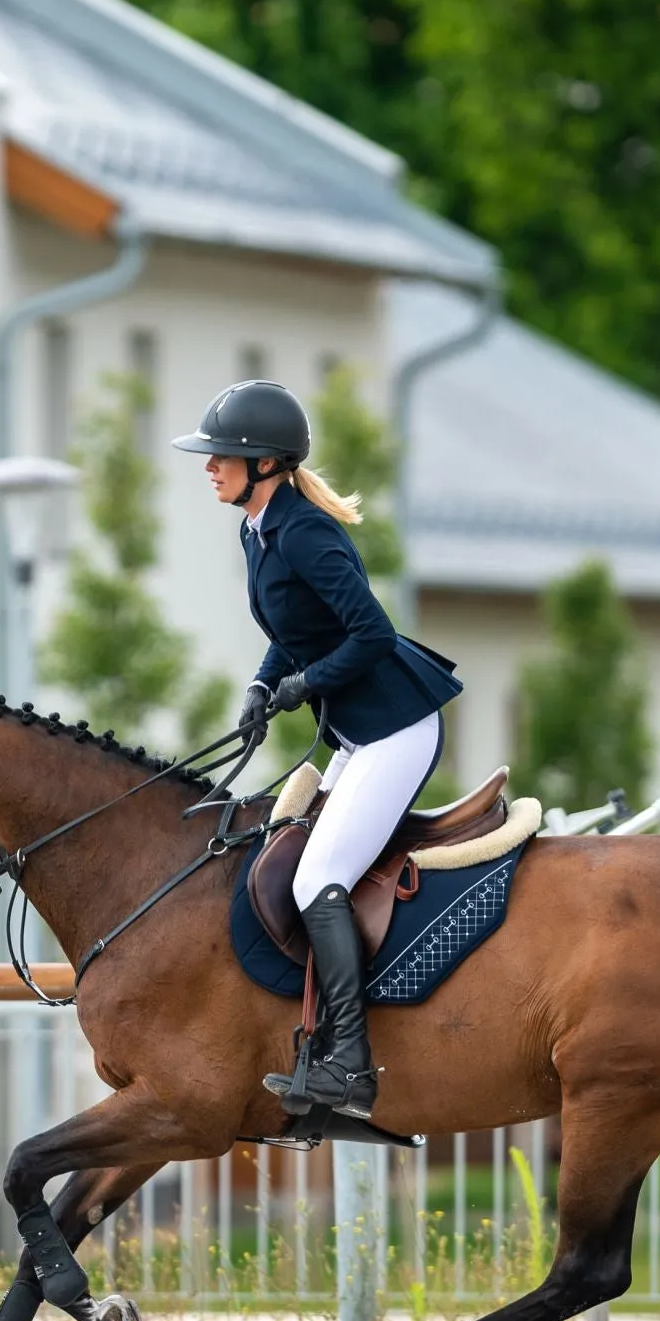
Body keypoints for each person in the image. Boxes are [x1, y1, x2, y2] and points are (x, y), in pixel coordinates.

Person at [173, 379, 463, 1120]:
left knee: (315, 879)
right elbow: (289, 628)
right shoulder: (257, 527)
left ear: (265, 464)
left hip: (395, 725)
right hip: (357, 728)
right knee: (288, 853)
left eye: (222, 457)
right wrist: (262, 684)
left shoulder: (305, 532)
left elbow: (370, 633)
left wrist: (305, 685)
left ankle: (352, 1068)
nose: (210, 466)